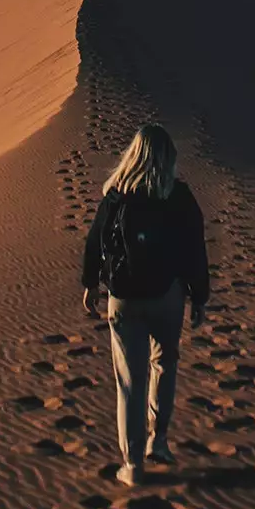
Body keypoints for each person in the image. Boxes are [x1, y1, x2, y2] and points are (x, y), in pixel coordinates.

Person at [82, 123, 210, 485]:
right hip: (167, 296)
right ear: (168, 158)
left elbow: (95, 243)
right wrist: (199, 296)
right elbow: (195, 252)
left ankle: (133, 464)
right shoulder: (179, 196)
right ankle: (160, 441)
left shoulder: (116, 195)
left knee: (130, 381)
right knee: (164, 364)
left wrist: (90, 284)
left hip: (123, 298)